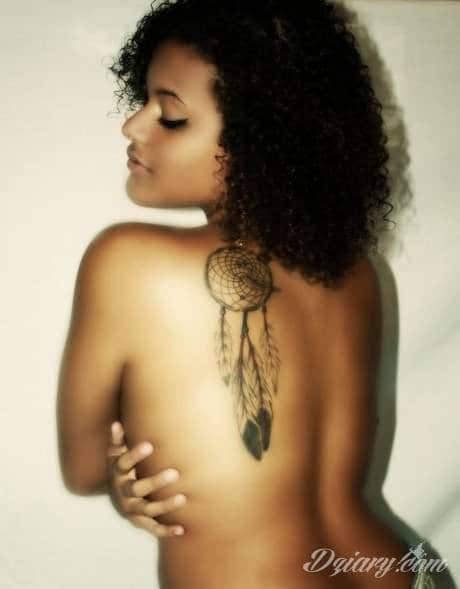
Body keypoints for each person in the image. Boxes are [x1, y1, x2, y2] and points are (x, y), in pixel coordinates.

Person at [57, 1, 434, 587]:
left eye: (170, 115)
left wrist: (118, 481)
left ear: (261, 141)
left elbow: (82, 470)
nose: (133, 125)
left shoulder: (126, 261)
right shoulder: (356, 274)